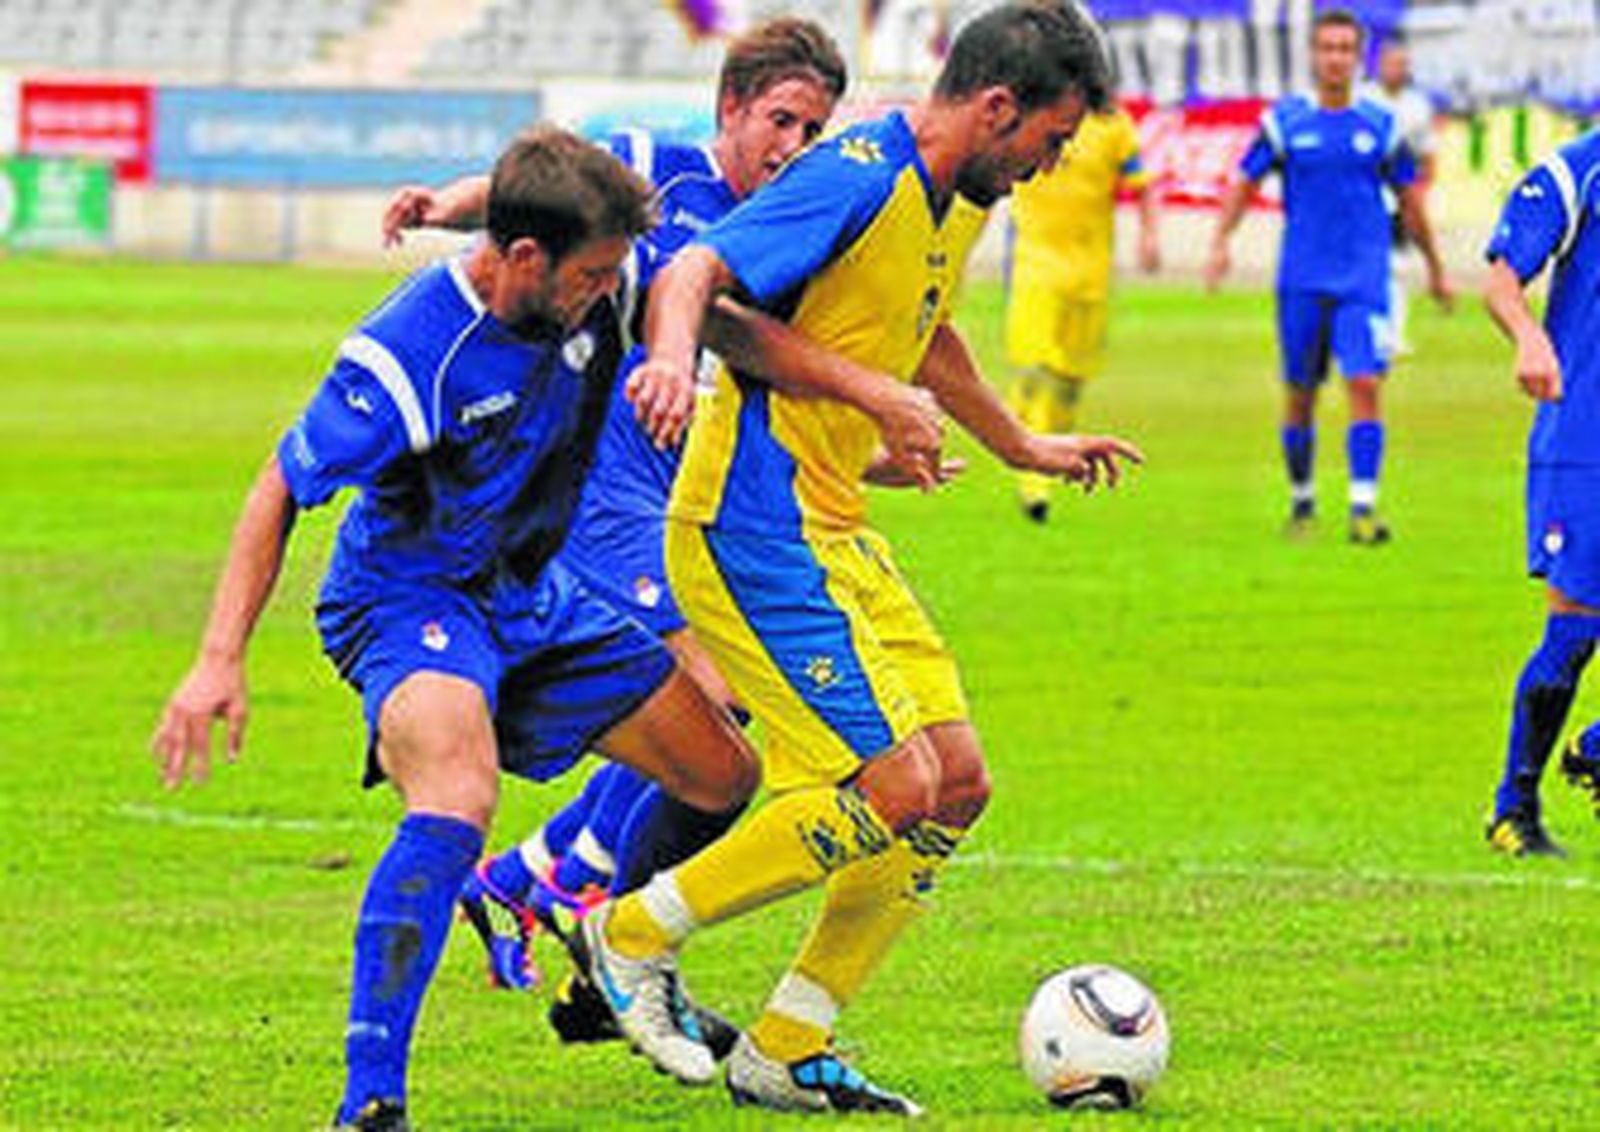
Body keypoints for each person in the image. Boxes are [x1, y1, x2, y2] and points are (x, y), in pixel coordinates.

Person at [582, 2, 1142, 1115]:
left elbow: (925, 327)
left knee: (956, 784)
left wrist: (1018, 441)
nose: (1050, 164)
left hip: (831, 526)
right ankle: (629, 930)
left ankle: (787, 1042)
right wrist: (676, 363)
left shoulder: (959, 196)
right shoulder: (856, 173)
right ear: (995, 108)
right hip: (752, 526)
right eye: (1048, 139)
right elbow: (696, 271)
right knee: (892, 784)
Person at [148, 127, 767, 1132]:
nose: (607, 289)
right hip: (408, 595)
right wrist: (218, 658)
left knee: (721, 775)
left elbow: (708, 321)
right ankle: (368, 1104)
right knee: (457, 793)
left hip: (532, 593)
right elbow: (280, 485)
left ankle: (619, 957)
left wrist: (853, 398)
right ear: (523, 259)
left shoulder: (591, 281)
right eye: (594, 274)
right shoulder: (409, 352)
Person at [381, 20, 855, 1024]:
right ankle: (583, 902)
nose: (793, 144)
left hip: (684, 491)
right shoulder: (655, 169)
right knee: (718, 689)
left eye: (813, 128)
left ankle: (537, 875)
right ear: (730, 108)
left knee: (720, 708)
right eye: (780, 119)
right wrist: (441, 207)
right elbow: (532, 196)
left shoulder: (793, 226)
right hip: (598, 484)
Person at [1206, 8, 1452, 544]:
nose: (1337, 57)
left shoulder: (1381, 127)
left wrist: (1435, 269)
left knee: (1365, 383)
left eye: (1346, 48)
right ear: (1314, 56)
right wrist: (1221, 242)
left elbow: (1411, 200)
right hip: (1301, 280)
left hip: (1363, 281)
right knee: (1300, 395)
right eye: (1328, 48)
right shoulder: (1285, 123)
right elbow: (1245, 183)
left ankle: (1363, 508)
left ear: (1358, 57)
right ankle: (1302, 502)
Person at [1482, 127, 1600, 857]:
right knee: (1578, 625)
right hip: (1585, 435)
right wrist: (1529, 336)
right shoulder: (1577, 170)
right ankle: (1512, 812)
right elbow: (1501, 278)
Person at [1004, 98, 1159, 522]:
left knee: (1070, 381)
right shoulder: (1028, 114)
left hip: (1090, 273)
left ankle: (1052, 453)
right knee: (1035, 371)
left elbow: (1141, 185)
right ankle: (1033, 481)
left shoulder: (1113, 126)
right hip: (1034, 263)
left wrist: (1148, 235)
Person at [1360, 34, 1438, 358]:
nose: (1398, 69)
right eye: (1393, 62)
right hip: (1363, 195)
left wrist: (1421, 189)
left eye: (1403, 64)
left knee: (1398, 267)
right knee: (1363, 266)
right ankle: (1361, 331)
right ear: (1379, 65)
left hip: (1398, 194)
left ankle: (1392, 334)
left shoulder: (1417, 106)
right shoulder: (1363, 98)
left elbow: (1428, 152)